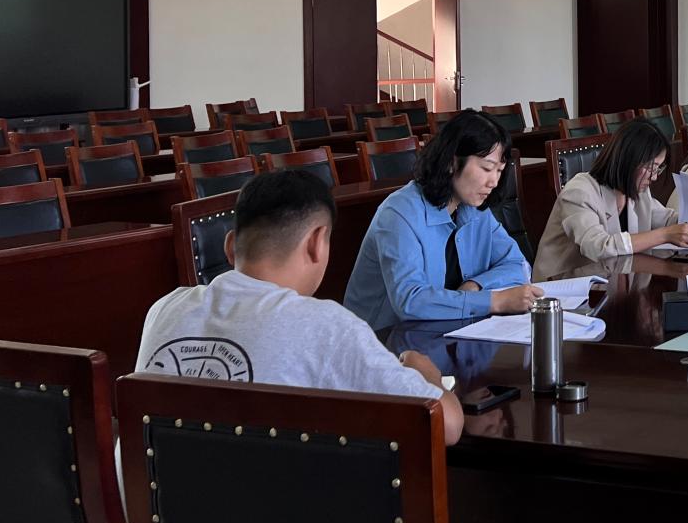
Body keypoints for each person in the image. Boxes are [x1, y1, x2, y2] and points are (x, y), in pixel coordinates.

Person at [136, 169, 462, 435]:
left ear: (230, 247)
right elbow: (447, 425)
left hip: (152, 498)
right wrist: (428, 378)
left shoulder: (164, 308)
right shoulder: (326, 326)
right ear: (316, 243)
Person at [344, 110, 542, 334]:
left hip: (441, 333)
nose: (494, 182)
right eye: (487, 168)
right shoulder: (399, 213)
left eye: (499, 171)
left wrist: (476, 285)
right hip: (381, 340)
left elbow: (518, 264)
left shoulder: (475, 210)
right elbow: (411, 300)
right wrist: (495, 301)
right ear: (451, 162)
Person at [533, 121, 688, 280]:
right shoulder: (578, 192)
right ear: (628, 160)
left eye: (658, 168)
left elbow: (668, 220)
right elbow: (599, 247)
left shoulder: (636, 190)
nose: (654, 177)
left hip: (611, 281)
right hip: (562, 287)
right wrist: (665, 235)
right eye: (651, 168)